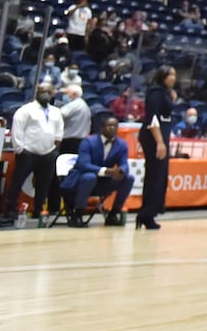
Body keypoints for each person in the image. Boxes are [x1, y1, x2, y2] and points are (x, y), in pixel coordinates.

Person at [60, 114, 132, 226]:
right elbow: (83, 165)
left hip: (102, 183)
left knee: (128, 178)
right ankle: (77, 214)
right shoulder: (88, 142)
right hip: (79, 180)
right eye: (109, 126)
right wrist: (106, 171)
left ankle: (113, 214)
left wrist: (121, 170)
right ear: (102, 128)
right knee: (90, 177)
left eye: (115, 126)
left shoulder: (121, 144)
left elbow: (124, 164)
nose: (112, 128)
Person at [10, 82, 64, 224]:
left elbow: (59, 132)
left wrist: (54, 151)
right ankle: (9, 211)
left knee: (43, 185)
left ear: (52, 93)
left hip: (48, 153)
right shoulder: (26, 110)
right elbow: (17, 129)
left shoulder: (56, 111)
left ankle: (38, 211)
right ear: (36, 92)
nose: (45, 94)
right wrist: (20, 149)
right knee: (17, 182)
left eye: (48, 91)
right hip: (28, 153)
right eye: (42, 91)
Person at [138, 65, 178, 230]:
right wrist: (160, 142)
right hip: (154, 137)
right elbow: (152, 119)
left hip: (163, 135)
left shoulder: (165, 93)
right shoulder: (155, 92)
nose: (174, 78)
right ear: (162, 76)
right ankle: (146, 214)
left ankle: (150, 213)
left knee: (160, 176)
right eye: (171, 74)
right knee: (155, 175)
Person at [58, 84, 92, 161]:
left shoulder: (75, 104)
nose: (64, 96)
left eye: (67, 93)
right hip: (79, 139)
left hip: (71, 140)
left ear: (74, 94)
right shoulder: (82, 104)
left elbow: (60, 114)